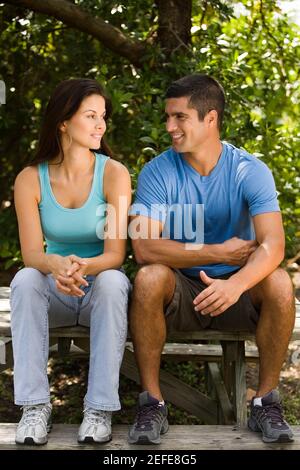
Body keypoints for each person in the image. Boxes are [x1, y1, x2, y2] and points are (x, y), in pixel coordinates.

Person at [128, 74, 295, 445]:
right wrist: (217, 252)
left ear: (210, 119)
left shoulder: (249, 171)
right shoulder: (158, 171)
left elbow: (273, 245)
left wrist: (235, 283)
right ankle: (151, 404)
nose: (169, 127)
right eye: (167, 117)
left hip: (238, 287)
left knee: (281, 282)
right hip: (182, 288)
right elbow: (145, 248)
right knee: (150, 277)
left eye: (179, 117)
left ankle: (266, 402)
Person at [10, 78, 131, 445]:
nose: (100, 125)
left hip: (99, 290)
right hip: (55, 292)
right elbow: (32, 254)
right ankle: (34, 407)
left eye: (103, 117)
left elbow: (115, 254)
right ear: (63, 122)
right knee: (25, 280)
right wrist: (55, 266)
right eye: (90, 116)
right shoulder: (30, 179)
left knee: (113, 281)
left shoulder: (114, 174)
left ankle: (98, 410)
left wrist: (78, 268)